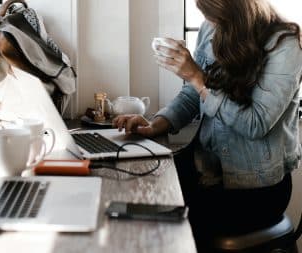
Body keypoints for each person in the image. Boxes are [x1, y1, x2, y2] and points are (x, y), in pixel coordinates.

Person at [113, 0, 302, 250]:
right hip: (205, 169)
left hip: (256, 189)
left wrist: (195, 76)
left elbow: (255, 124)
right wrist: (157, 124)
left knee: (161, 224)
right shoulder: (213, 29)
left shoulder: (285, 45)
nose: (209, 22)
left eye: (212, 14)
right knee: (129, 193)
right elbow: (193, 94)